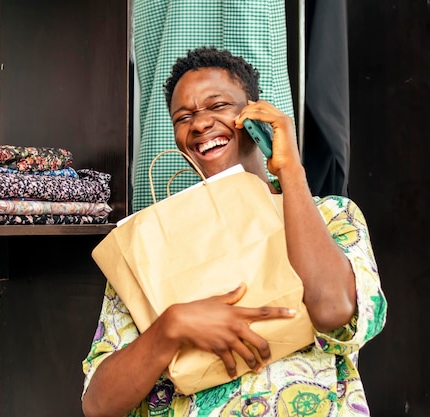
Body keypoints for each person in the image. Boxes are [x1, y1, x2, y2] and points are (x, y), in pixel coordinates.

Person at [81, 47, 386, 417]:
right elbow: (98, 405)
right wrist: (170, 328)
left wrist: (291, 172)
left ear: (254, 113)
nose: (199, 123)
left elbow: (333, 309)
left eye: (217, 105)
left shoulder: (332, 214)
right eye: (184, 116)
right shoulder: (151, 242)